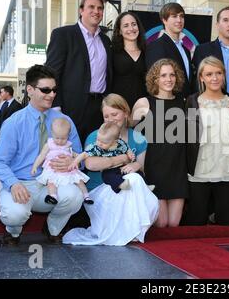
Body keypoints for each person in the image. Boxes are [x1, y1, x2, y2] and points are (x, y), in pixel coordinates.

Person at [0, 64, 84, 245]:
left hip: (54, 182)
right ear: (30, 90)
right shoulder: (14, 123)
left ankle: (53, 228)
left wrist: (73, 161)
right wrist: (13, 184)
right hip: (21, 182)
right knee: (14, 214)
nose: (52, 94)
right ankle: (13, 232)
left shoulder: (65, 121)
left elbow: (79, 156)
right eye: (46, 90)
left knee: (76, 196)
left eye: (54, 90)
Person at [62, 94, 159, 246]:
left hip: (130, 190)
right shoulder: (98, 136)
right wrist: (122, 159)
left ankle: (132, 230)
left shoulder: (138, 138)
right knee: (133, 180)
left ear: (126, 113)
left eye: (115, 114)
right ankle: (133, 231)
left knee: (136, 180)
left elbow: (141, 168)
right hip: (98, 192)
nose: (111, 119)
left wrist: (134, 165)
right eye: (106, 116)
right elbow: (91, 165)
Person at [45, 0, 113, 143]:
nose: (96, 11)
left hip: (99, 108)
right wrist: (56, 108)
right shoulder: (63, 35)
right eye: (91, 7)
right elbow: (51, 74)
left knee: (94, 154)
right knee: (69, 155)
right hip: (71, 107)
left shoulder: (105, 40)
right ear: (81, 10)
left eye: (100, 8)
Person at [185, 56, 229, 225]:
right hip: (200, 167)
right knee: (197, 219)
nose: (214, 78)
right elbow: (185, 138)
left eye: (218, 73)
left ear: (224, 75)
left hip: (226, 167)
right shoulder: (192, 102)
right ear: (201, 77)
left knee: (226, 220)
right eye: (209, 74)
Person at [132, 59, 188, 227]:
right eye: (163, 75)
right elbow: (129, 132)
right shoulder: (144, 103)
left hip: (178, 167)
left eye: (172, 74)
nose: (168, 79)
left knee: (174, 224)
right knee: (162, 223)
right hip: (154, 167)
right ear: (155, 79)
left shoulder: (184, 102)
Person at [31, 117, 92, 205]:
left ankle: (86, 196)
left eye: (63, 138)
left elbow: (75, 155)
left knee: (79, 180)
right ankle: (53, 197)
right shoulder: (49, 144)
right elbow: (41, 156)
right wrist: (35, 166)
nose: (59, 141)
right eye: (57, 138)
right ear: (52, 133)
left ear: (68, 135)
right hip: (53, 169)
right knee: (51, 182)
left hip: (68, 169)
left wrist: (78, 158)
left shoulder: (68, 145)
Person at [69, 121, 136, 192]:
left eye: (104, 142)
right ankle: (121, 184)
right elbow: (84, 154)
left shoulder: (120, 143)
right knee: (107, 176)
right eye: (98, 139)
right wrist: (75, 162)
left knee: (133, 171)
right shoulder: (95, 147)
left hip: (122, 167)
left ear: (115, 141)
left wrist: (130, 154)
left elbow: (127, 148)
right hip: (108, 169)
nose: (99, 143)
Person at [145, 2, 195, 98]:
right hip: (166, 104)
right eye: (174, 16)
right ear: (164, 20)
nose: (179, 20)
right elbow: (155, 81)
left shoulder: (185, 50)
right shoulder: (156, 46)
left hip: (186, 104)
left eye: (181, 16)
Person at [111, 12, 148, 109]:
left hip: (143, 109)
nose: (131, 29)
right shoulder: (112, 52)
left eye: (134, 24)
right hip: (119, 108)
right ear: (119, 31)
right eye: (126, 26)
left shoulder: (147, 52)